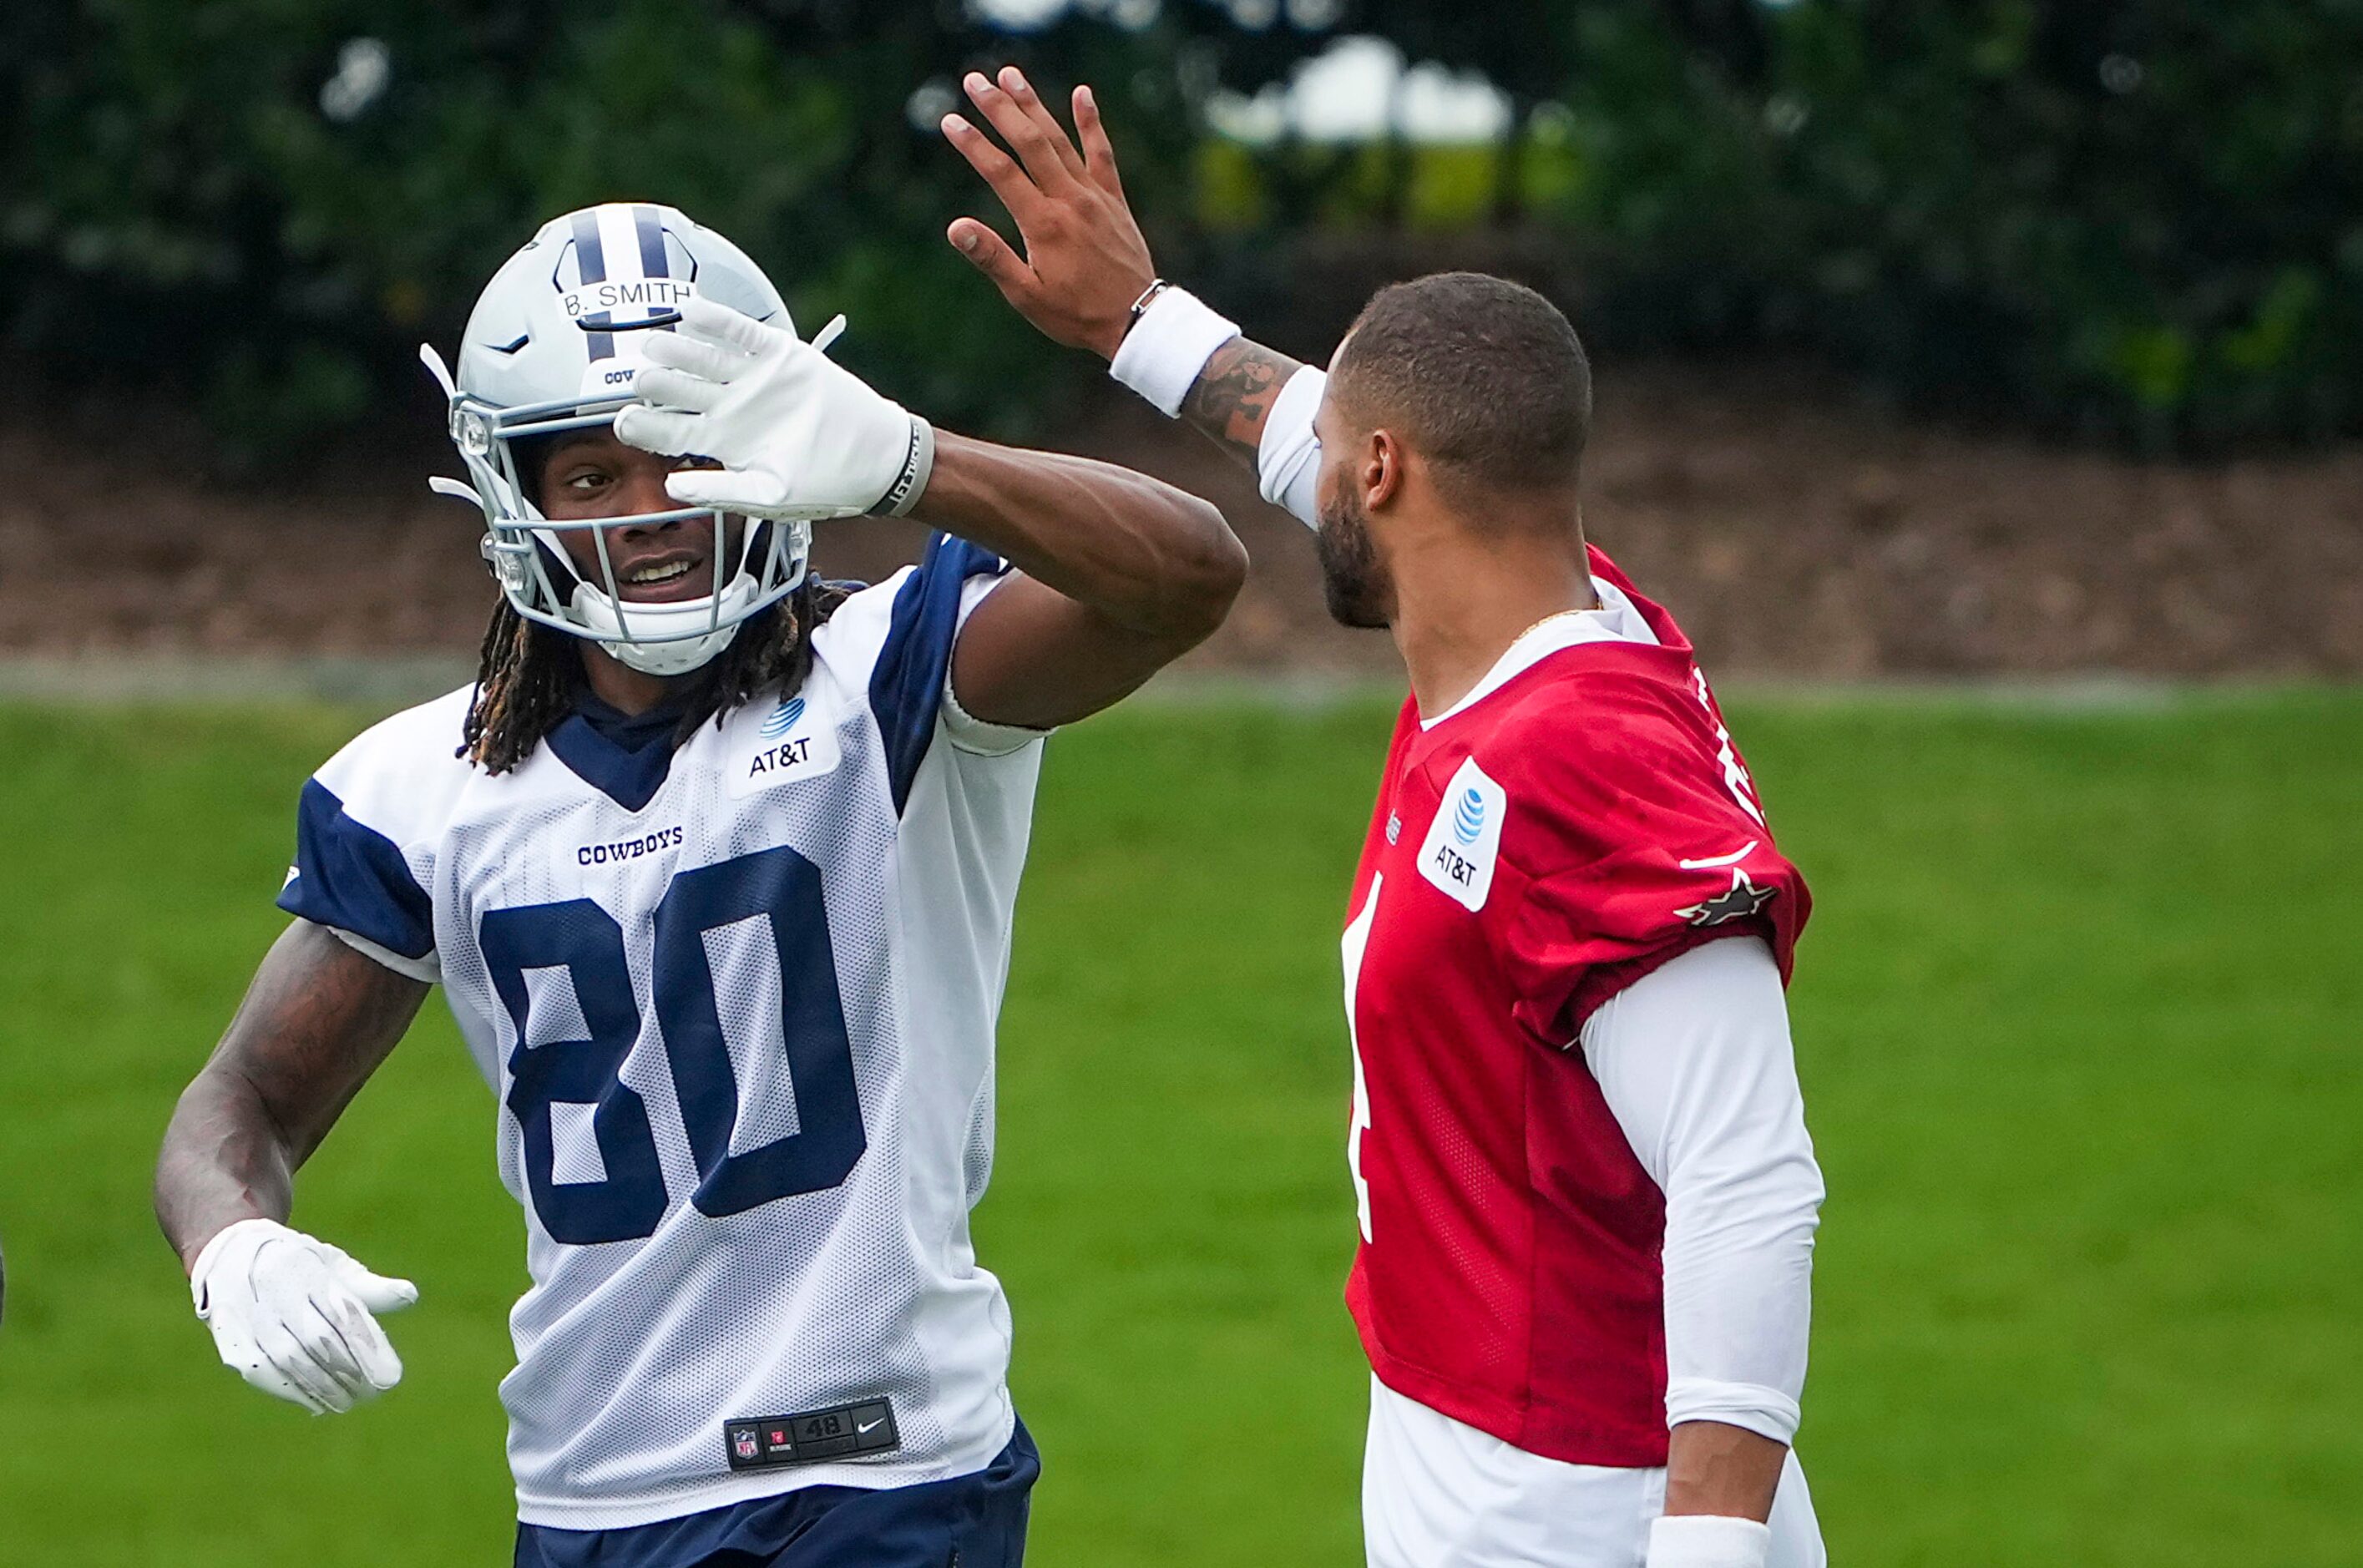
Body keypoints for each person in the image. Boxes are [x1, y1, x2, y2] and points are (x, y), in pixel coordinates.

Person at [154, 201, 1246, 1567]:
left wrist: (913, 462)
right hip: (595, 1486)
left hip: (887, 1474)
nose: (650, 514)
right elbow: (236, 1103)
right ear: (514, 498)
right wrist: (233, 1247)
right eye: (592, 477)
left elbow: (1190, 575)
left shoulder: (889, 672)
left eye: (682, 456)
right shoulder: (423, 787)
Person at [942, 68, 1829, 1568]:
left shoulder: (1581, 764)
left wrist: (1706, 1547)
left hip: (1573, 1498)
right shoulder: (1561, 618)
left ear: (1385, 472)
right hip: (1473, 1443)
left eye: (1339, 449)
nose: (1308, 465)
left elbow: (1748, 1176)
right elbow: (1316, 434)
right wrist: (1131, 320)